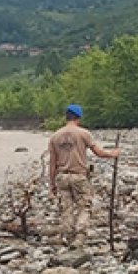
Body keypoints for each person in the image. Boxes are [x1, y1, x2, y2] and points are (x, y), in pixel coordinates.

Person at [47, 104, 120, 245]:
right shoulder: (83, 133)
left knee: (65, 208)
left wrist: (51, 184)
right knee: (84, 206)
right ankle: (80, 236)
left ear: (66, 117)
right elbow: (99, 153)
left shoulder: (55, 136)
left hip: (61, 176)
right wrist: (113, 153)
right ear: (78, 118)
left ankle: (68, 236)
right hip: (78, 175)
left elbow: (52, 163)